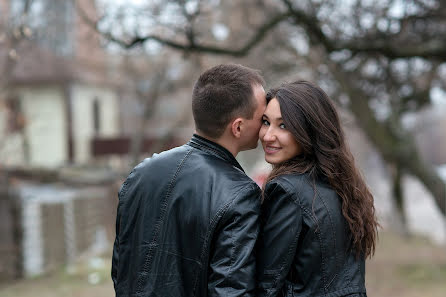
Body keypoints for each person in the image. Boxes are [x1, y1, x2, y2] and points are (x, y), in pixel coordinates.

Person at [111, 64, 266, 297]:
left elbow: (121, 268)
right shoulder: (240, 193)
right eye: (262, 118)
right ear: (238, 127)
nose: (266, 127)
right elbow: (232, 291)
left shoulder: (140, 173)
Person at [256, 81, 379, 297]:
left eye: (283, 126)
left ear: (308, 131)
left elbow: (267, 282)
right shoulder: (343, 184)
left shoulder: (286, 189)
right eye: (265, 122)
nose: (267, 135)